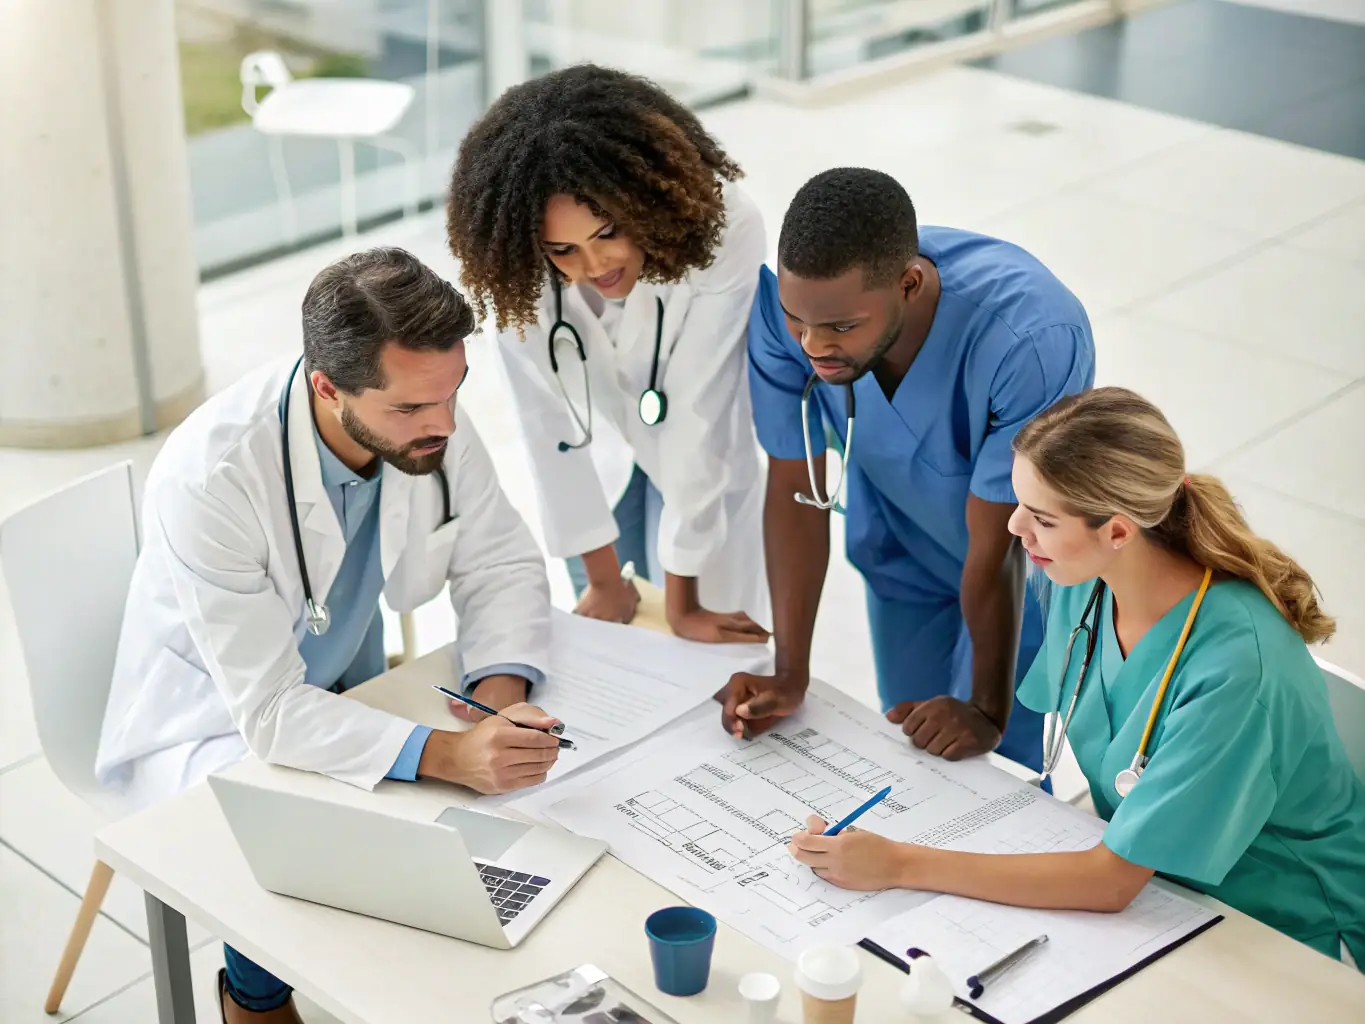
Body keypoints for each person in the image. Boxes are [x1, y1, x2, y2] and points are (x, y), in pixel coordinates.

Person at [96, 249, 563, 1021]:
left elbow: (499, 557)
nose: (443, 425)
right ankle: (253, 999)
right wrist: (449, 756)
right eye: (411, 411)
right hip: (216, 718)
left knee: (483, 849)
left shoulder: (426, 405)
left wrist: (496, 701)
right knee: (293, 840)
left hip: (355, 679)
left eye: (452, 395)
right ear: (326, 387)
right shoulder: (211, 477)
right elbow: (273, 713)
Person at [790, 387, 1365, 967]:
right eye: (1018, 503)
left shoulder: (1237, 668)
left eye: (1041, 517)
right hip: (1159, 881)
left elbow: (1110, 883)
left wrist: (898, 864)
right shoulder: (1083, 582)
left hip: (1286, 926)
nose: (1016, 527)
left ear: (1118, 531)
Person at [723, 168, 1094, 771]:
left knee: (999, 770)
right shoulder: (780, 312)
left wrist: (988, 710)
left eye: (842, 327)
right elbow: (794, 486)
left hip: (1020, 565)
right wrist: (790, 673)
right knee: (909, 747)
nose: (813, 346)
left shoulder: (1029, 338)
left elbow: (1004, 540)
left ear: (909, 284)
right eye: (800, 322)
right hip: (901, 543)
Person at [446, 64, 770, 644]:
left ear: (643, 197)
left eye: (609, 233)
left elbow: (702, 414)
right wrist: (602, 578)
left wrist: (683, 603)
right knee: (621, 652)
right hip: (596, 471)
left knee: (713, 643)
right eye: (563, 250)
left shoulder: (724, 227)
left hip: (702, 460)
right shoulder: (518, 276)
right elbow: (546, 429)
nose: (595, 268)